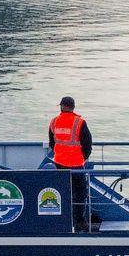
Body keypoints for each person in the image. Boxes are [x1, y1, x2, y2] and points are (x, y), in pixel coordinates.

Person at [47, 95, 95, 231]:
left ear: (61, 106)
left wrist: (60, 154)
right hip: (76, 165)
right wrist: (83, 157)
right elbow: (88, 144)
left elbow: (52, 143)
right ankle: (79, 221)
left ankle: (63, 219)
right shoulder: (80, 122)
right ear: (73, 107)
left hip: (59, 164)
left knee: (62, 191)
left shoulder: (53, 122)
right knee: (81, 192)